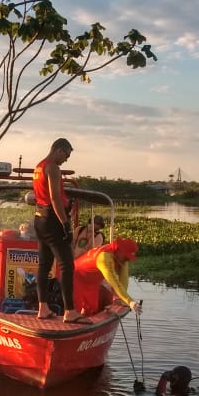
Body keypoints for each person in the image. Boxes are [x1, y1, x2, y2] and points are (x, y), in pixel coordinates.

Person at [32, 138, 82, 322]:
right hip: (52, 221)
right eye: (66, 155)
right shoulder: (53, 168)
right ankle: (70, 311)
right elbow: (55, 198)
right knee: (67, 265)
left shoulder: (39, 166)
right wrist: (65, 224)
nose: (66, 159)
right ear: (59, 150)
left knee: (44, 265)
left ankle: (42, 307)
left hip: (39, 219)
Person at [72, 237, 143, 316]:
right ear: (119, 250)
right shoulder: (104, 258)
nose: (127, 260)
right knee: (75, 311)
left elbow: (124, 279)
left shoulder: (123, 259)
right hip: (75, 279)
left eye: (129, 258)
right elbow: (114, 282)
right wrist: (130, 301)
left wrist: (122, 299)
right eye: (126, 256)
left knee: (90, 311)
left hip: (92, 284)